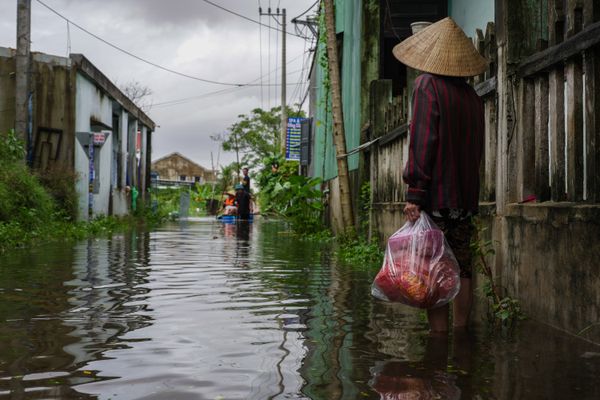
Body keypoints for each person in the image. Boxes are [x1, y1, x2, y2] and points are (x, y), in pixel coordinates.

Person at [393, 17, 487, 332]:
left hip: (436, 197)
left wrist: (415, 194)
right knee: (462, 268)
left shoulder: (426, 86)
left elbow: (423, 142)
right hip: (463, 198)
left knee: (433, 267)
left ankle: (438, 340)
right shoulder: (472, 98)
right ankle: (461, 333)